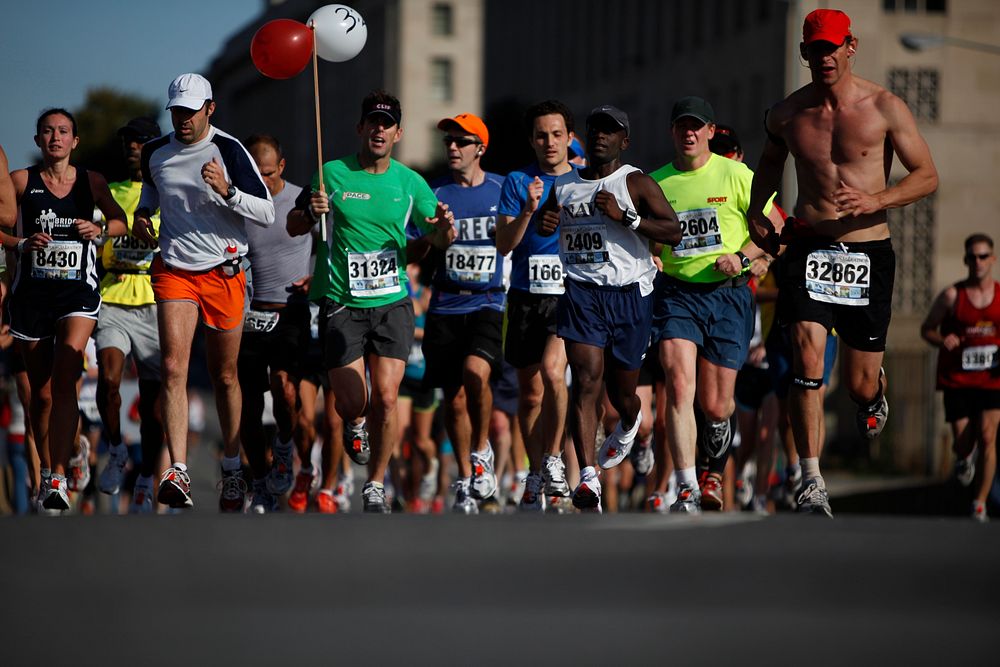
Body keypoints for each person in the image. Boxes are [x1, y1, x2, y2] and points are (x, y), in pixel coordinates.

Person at [748, 8, 939, 516]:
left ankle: (873, 392)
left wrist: (879, 200)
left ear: (850, 46)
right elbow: (769, 163)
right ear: (804, 53)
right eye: (814, 49)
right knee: (807, 353)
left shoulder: (885, 106)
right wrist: (755, 212)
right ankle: (810, 478)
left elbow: (926, 176)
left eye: (832, 47)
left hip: (868, 252)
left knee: (856, 383)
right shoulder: (787, 114)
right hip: (810, 246)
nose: (824, 56)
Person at [287, 90, 455, 513]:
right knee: (352, 402)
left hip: (394, 302)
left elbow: (436, 237)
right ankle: (355, 424)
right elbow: (293, 225)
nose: (379, 130)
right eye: (373, 122)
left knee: (385, 395)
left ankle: (375, 484)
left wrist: (445, 230)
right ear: (361, 128)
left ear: (397, 133)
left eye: (388, 124)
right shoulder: (332, 173)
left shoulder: (411, 182)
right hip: (342, 303)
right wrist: (310, 210)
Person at [132, 73, 275, 511]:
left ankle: (232, 468)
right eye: (176, 111)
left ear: (210, 109)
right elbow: (151, 196)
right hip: (175, 270)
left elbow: (266, 211)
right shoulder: (157, 152)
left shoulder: (229, 150)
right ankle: (179, 470)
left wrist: (228, 190)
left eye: (191, 111)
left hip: (225, 272)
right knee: (173, 367)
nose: (183, 120)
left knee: (225, 375)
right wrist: (141, 216)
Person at [539, 105, 680, 512]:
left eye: (610, 131)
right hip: (582, 293)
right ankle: (587, 478)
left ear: (624, 141)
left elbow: (673, 231)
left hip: (630, 295)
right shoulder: (564, 185)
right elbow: (548, 221)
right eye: (595, 129)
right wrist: (544, 224)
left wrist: (628, 219)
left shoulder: (634, 181)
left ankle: (633, 423)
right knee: (585, 380)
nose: (600, 136)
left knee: (622, 395)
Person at [649, 96, 783, 514]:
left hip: (728, 295)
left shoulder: (737, 174)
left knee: (715, 404)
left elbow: (775, 226)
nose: (688, 132)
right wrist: (650, 255)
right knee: (678, 385)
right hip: (677, 294)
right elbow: (646, 237)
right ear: (672, 132)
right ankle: (686, 484)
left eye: (697, 126)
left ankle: (712, 472)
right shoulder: (656, 182)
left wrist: (742, 258)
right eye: (681, 126)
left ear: (710, 131)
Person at [3, 108, 128, 511]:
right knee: (39, 397)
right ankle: (48, 471)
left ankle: (57, 475)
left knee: (64, 379)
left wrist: (100, 229)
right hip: (32, 298)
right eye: (48, 131)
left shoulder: (91, 181)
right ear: (38, 140)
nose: (55, 138)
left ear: (75, 141)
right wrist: (19, 244)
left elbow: (120, 221)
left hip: (77, 294)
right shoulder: (21, 182)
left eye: (63, 132)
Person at [495, 100, 576, 512]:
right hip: (526, 296)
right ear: (532, 140)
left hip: (569, 297)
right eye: (542, 135)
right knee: (529, 397)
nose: (549, 142)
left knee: (552, 372)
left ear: (570, 138)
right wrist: (529, 209)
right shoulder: (516, 181)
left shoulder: (585, 181)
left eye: (557, 134)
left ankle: (555, 459)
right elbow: (504, 245)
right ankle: (534, 472)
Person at [423, 112, 506, 513]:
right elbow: (416, 251)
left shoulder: (502, 188)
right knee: (453, 401)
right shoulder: (433, 192)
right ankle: (464, 478)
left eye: (461, 141)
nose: (453, 148)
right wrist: (438, 234)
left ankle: (480, 452)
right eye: (448, 142)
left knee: (477, 373)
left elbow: (522, 239)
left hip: (488, 300)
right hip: (445, 303)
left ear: (480, 148)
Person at [93, 117, 165, 513]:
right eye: (128, 141)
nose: (133, 146)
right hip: (114, 294)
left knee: (155, 404)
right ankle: (117, 448)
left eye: (140, 141)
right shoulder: (108, 191)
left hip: (156, 300)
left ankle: (145, 478)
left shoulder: (169, 191)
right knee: (109, 379)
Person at [238, 134, 312, 513]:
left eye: (268, 173)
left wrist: (317, 279)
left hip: (291, 310)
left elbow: (331, 246)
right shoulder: (237, 202)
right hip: (248, 313)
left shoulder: (302, 199)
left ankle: (284, 444)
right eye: (255, 172)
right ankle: (263, 480)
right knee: (248, 406)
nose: (262, 180)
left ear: (281, 167)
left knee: (284, 388)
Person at [921, 234, 999, 522]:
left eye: (983, 256)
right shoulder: (953, 296)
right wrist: (942, 339)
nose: (977, 262)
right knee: (965, 443)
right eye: (972, 257)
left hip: (992, 380)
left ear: (992, 259)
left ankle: (979, 503)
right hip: (958, 380)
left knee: (989, 437)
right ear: (966, 260)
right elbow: (926, 329)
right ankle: (964, 458)